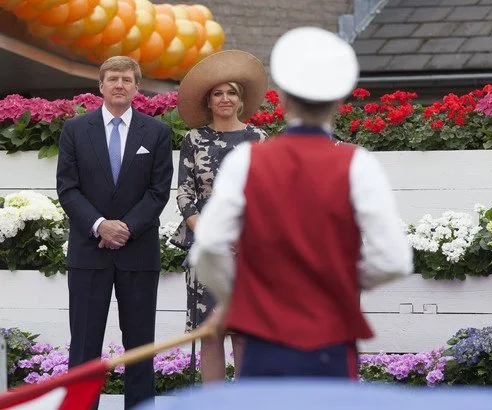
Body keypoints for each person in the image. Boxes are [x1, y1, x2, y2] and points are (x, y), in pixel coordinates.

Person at [189, 27, 414, 379]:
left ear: (283, 100)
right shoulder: (359, 164)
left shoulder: (246, 160)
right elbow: (395, 259)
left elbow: (207, 248)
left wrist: (239, 297)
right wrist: (336, 282)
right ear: (339, 102)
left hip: (264, 335)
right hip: (332, 341)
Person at [56, 56, 173, 408]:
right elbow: (68, 188)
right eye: (113, 79)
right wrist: (99, 225)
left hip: (138, 255)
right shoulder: (75, 130)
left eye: (126, 79)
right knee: (85, 347)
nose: (119, 84)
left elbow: (159, 190)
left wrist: (127, 228)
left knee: (139, 347)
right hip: (89, 254)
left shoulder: (156, 132)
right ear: (101, 85)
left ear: (137, 87)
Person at [170, 50, 268, 382]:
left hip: (248, 252)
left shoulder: (259, 139)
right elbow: (184, 193)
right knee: (209, 334)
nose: (225, 99)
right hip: (207, 253)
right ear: (208, 101)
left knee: (243, 333)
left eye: (231, 92)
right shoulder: (193, 140)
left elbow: (267, 196)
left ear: (241, 101)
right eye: (218, 93)